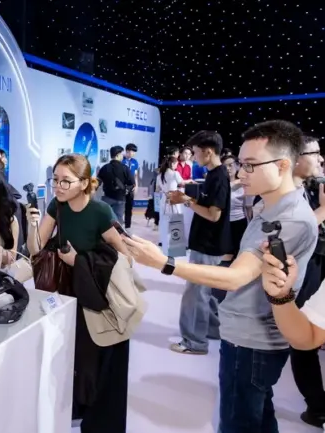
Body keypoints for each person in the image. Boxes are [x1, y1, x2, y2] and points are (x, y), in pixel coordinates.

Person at [122, 120, 318, 432]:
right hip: (246, 334)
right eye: (241, 164)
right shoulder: (272, 206)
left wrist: (164, 263)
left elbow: (237, 277)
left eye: (250, 165)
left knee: (240, 422)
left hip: (253, 341)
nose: (241, 173)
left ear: (282, 165)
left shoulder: (290, 218)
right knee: (257, 418)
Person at [26, 153, 131, 433]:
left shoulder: (100, 212)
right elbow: (36, 249)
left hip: (93, 293)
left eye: (65, 181)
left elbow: (124, 257)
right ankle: (71, 405)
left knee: (90, 355)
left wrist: (79, 261)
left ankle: (89, 407)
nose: (58, 187)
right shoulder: (56, 206)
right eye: (55, 180)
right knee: (66, 350)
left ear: (84, 183)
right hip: (64, 289)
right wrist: (32, 225)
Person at [166, 131, 231, 354]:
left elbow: (214, 215)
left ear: (208, 152)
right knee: (204, 292)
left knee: (195, 294)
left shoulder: (219, 177)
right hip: (206, 243)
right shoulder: (213, 174)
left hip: (208, 244)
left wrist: (186, 201)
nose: (193, 157)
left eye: (195, 152)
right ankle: (212, 330)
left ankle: (194, 342)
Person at [286, 135, 325, 428]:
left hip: (318, 260)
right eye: (315, 153)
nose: (321, 159)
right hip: (307, 266)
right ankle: (317, 406)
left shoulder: (312, 186)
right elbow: (293, 230)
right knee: (303, 335)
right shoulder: (286, 192)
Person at [211, 155, 254, 302]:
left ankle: (235, 292)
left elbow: (248, 207)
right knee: (223, 257)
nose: (228, 168)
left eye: (231, 165)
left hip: (239, 223)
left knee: (238, 257)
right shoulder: (221, 183)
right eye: (225, 165)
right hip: (223, 224)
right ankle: (220, 292)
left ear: (236, 166)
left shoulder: (243, 184)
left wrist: (251, 225)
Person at [156, 156, 192, 254]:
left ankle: (164, 245)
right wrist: (190, 181)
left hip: (164, 199)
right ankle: (176, 247)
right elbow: (182, 183)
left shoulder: (160, 175)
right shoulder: (175, 173)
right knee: (176, 221)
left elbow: (157, 189)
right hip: (174, 198)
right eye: (176, 164)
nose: (177, 166)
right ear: (172, 164)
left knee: (164, 222)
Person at [97, 146, 134, 224]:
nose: (123, 156)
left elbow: (97, 182)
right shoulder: (125, 168)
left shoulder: (104, 168)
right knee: (118, 220)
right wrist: (126, 191)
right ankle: (117, 231)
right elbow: (132, 183)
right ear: (117, 155)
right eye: (121, 154)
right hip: (120, 199)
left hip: (107, 198)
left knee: (104, 219)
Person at [122, 143, 139, 229]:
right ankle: (119, 225)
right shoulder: (121, 160)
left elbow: (135, 175)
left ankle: (127, 226)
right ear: (127, 151)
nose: (134, 153)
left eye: (135, 152)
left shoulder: (135, 162)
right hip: (122, 186)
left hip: (131, 186)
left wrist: (136, 185)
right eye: (133, 151)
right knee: (121, 206)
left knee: (129, 207)